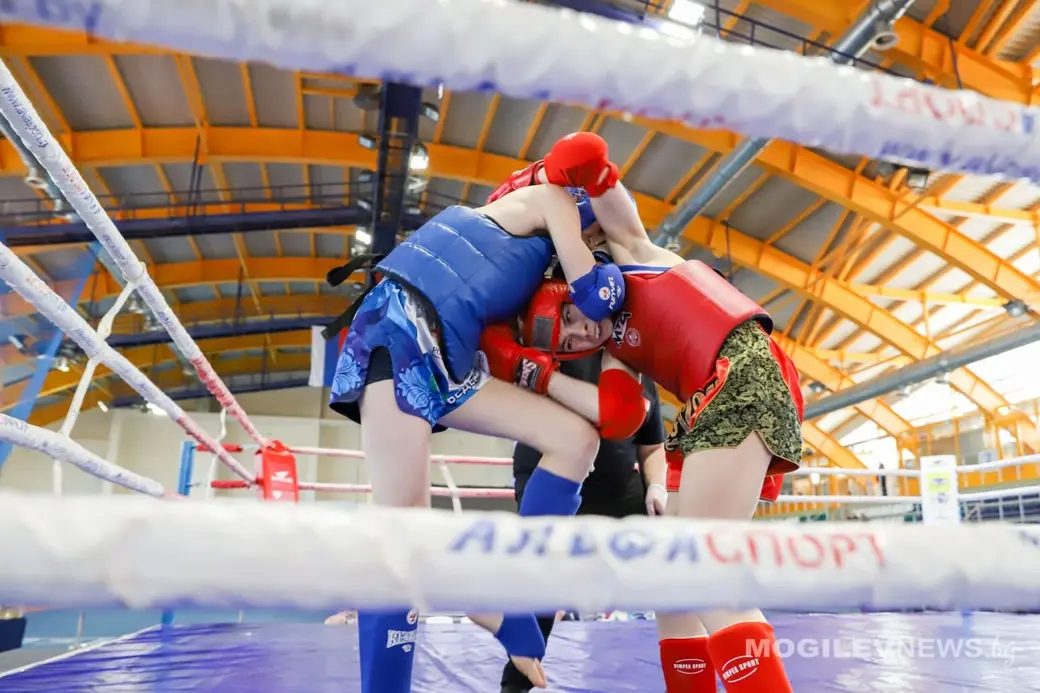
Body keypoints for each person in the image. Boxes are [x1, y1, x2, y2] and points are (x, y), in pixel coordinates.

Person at [323, 141, 652, 693]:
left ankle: (507, 590)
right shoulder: (538, 203)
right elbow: (582, 217)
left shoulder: (523, 301)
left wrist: (587, 362)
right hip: (400, 332)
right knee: (402, 532)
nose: (574, 329)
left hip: (450, 364)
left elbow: (616, 418)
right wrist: (608, 273)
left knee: (574, 440)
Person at [484, 132, 803, 693]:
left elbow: (595, 167)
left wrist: (555, 187)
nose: (581, 329)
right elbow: (618, 418)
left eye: (573, 315)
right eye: (566, 337)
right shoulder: (618, 355)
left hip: (741, 368)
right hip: (707, 399)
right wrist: (535, 372)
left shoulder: (634, 256)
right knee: (671, 587)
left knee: (706, 578)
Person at [501, 351, 668, 693]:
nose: (586, 331)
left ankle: (695, 665)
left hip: (619, 488)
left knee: (678, 556)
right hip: (551, 478)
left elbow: (652, 446)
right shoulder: (542, 353)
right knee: (544, 588)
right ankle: (516, 685)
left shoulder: (637, 367)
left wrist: (658, 486)